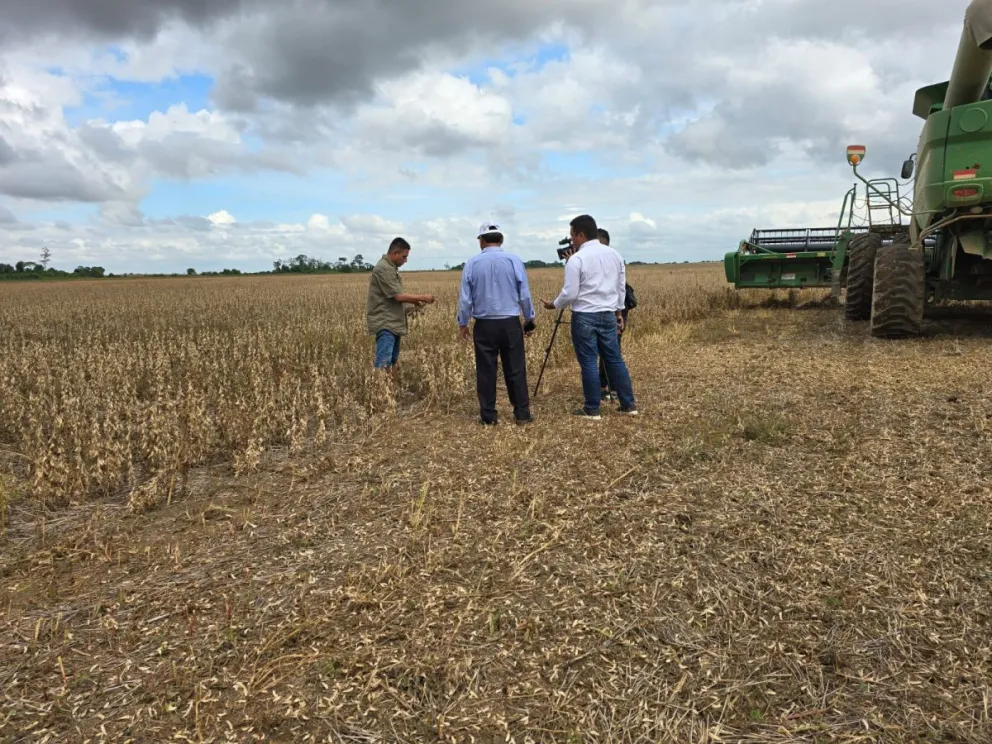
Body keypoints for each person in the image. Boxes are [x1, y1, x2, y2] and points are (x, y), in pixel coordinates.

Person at [541, 214, 637, 419]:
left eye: (572, 236)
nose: (572, 240)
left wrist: (553, 305)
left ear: (581, 235)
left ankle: (592, 408)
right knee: (614, 359)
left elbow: (570, 293)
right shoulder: (615, 255)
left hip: (584, 315)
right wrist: (619, 313)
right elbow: (620, 289)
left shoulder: (576, 260)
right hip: (608, 314)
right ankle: (629, 404)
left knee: (588, 362)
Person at [457, 221, 536, 426]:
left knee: (486, 370)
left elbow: (465, 299)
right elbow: (524, 294)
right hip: (510, 322)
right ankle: (522, 413)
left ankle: (489, 415)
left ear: (481, 241)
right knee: (516, 368)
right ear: (501, 240)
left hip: (484, 324)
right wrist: (528, 318)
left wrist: (463, 322)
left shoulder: (472, 263)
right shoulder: (514, 260)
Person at [366, 237, 435, 375]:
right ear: (395, 253)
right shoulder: (383, 268)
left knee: (392, 360)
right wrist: (423, 298)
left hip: (393, 322)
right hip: (385, 323)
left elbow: (394, 298)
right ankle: (380, 393)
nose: (405, 260)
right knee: (384, 362)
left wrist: (414, 304)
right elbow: (398, 296)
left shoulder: (390, 268)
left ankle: (391, 392)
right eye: (404, 256)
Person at [596, 228, 637, 401]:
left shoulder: (601, 259)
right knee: (611, 353)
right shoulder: (615, 257)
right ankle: (608, 387)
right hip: (616, 309)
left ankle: (610, 388)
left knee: (610, 353)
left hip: (611, 310)